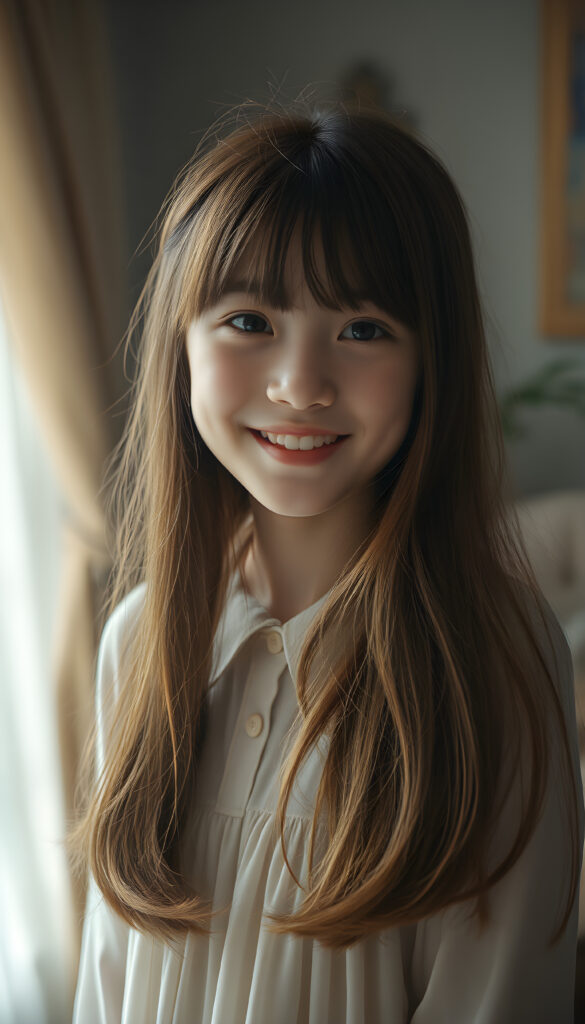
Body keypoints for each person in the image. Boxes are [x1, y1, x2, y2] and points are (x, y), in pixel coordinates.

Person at [70, 98, 584, 1023]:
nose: (300, 383)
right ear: (180, 346)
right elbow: (106, 986)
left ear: (432, 359)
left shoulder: (493, 656)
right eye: (248, 321)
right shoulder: (140, 640)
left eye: (361, 329)